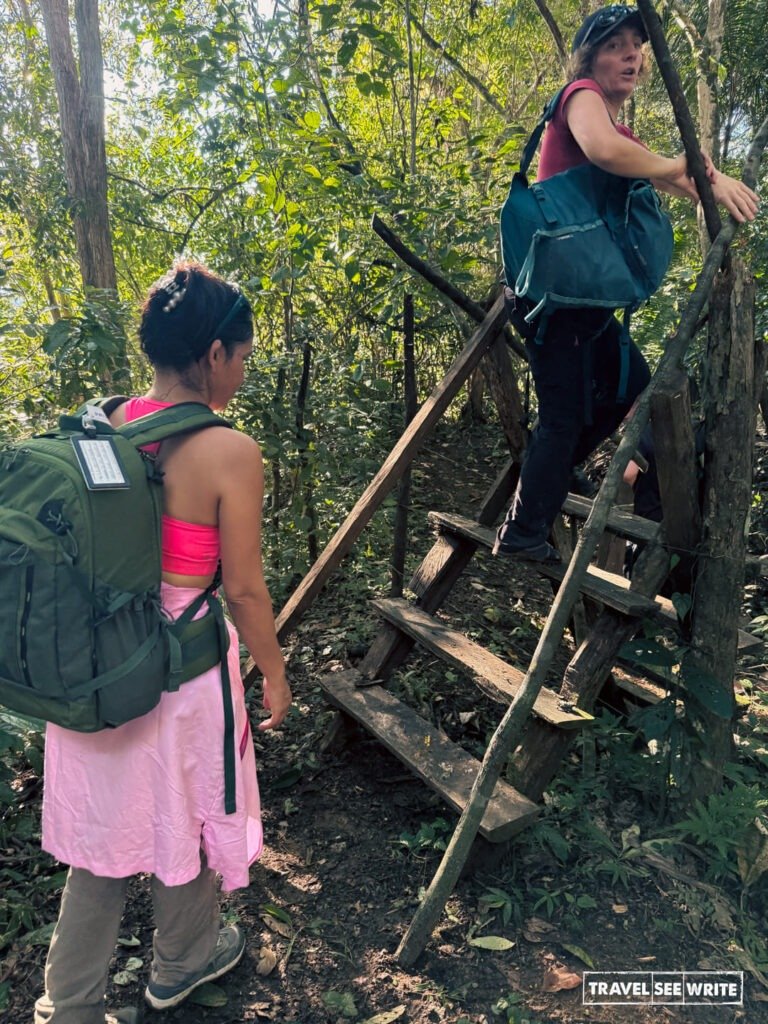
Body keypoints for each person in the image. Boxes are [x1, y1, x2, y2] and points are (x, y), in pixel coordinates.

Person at [34, 263, 292, 1024]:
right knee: (189, 807)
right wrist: (274, 674)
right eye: (242, 357)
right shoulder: (229, 452)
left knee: (101, 832)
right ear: (213, 353)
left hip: (93, 664)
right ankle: (180, 962)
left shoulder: (97, 424)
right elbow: (242, 589)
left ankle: (71, 1001)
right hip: (181, 671)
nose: (242, 373)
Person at [494, 3, 759, 564]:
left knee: (628, 391)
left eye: (636, 46)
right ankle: (522, 531)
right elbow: (604, 151)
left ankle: (550, 481)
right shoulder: (581, 96)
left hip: (585, 305)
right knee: (564, 417)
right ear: (590, 56)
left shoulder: (625, 132)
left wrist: (714, 182)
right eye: (616, 45)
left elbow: (673, 178)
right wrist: (685, 168)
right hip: (554, 302)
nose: (632, 55)